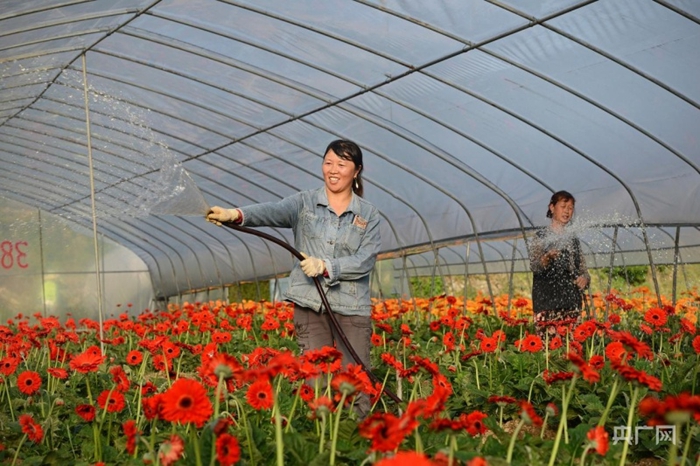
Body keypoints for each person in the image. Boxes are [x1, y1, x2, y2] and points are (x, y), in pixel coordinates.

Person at [206, 139, 380, 417]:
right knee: (314, 379)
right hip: (310, 304)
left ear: (356, 170)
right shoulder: (304, 203)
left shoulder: (368, 214)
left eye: (342, 164)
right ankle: (320, 434)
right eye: (328, 163)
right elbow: (273, 211)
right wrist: (234, 214)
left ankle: (356, 434)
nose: (333, 170)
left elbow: (365, 260)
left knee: (356, 378)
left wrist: (325, 266)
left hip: (352, 306)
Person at [528, 190, 590, 338]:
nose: (567, 211)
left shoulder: (573, 240)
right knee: (548, 346)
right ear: (552, 207)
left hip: (571, 303)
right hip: (546, 303)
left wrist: (584, 279)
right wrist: (546, 258)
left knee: (571, 345)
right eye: (563, 206)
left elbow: (583, 270)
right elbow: (534, 266)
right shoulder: (540, 237)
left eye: (570, 208)